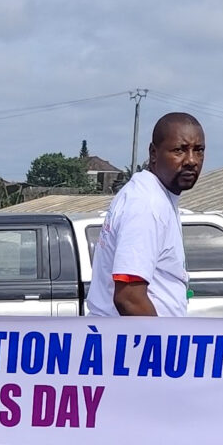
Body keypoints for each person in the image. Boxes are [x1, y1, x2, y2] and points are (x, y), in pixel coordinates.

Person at [85, 112, 204, 320]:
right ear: (153, 153)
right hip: (135, 347)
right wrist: (162, 348)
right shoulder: (147, 204)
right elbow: (129, 297)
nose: (192, 160)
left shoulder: (156, 196)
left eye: (199, 150)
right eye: (179, 150)